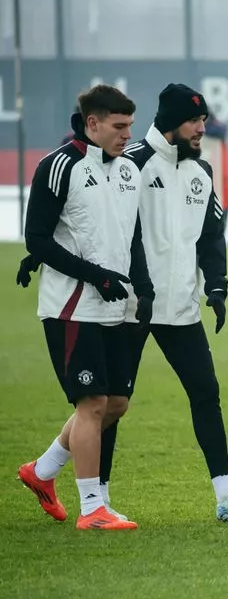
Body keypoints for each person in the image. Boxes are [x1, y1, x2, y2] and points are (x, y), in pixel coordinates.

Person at [87, 84, 228, 522]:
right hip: (130, 307)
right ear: (171, 121)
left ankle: (226, 495)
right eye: (194, 120)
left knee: (206, 393)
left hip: (182, 308)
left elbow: (211, 238)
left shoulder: (201, 171)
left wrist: (218, 287)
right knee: (111, 404)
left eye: (204, 120)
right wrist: (135, 289)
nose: (201, 129)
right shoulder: (129, 164)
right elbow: (115, 235)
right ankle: (98, 499)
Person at [18, 84, 150, 529]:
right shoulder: (58, 167)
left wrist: (143, 289)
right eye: (118, 127)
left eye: (130, 126)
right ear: (92, 123)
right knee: (92, 403)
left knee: (115, 404)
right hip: (71, 307)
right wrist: (97, 276)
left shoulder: (130, 169)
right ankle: (93, 509)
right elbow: (36, 238)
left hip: (116, 307)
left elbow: (131, 236)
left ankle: (42, 471)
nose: (126, 136)